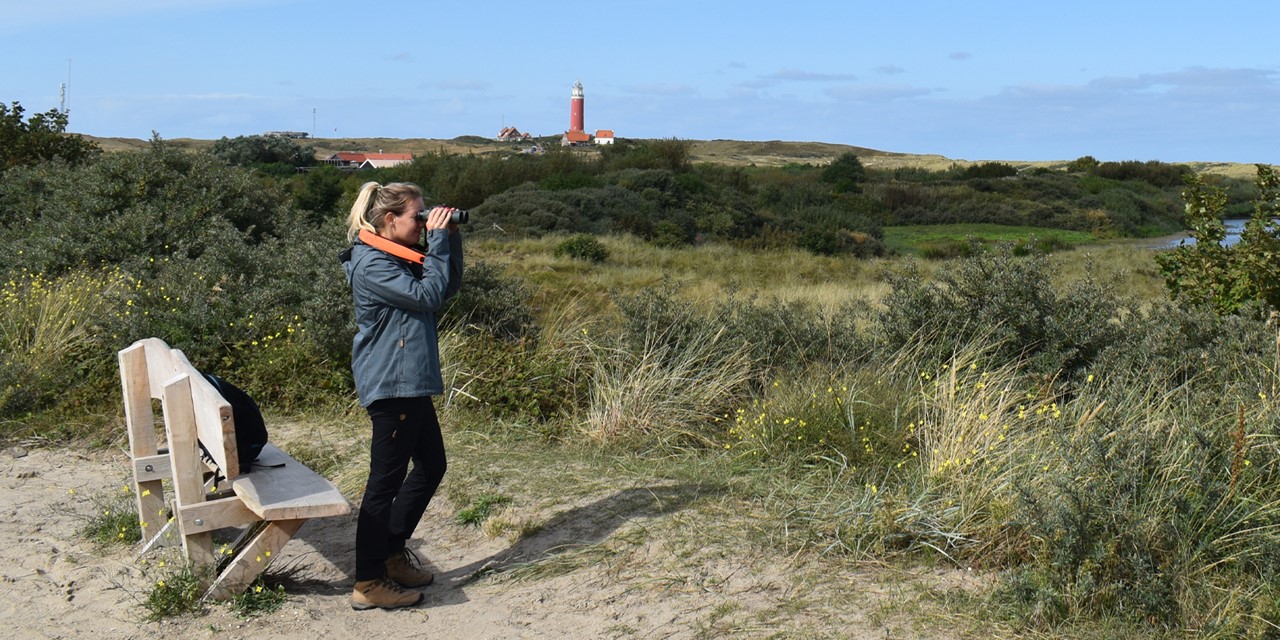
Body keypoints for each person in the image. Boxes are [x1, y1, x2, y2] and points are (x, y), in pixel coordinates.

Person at [339, 181, 463, 610]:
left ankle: (390, 554)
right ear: (389, 220)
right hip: (394, 384)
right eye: (418, 216)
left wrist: (450, 240)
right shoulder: (373, 263)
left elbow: (444, 288)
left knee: (432, 466)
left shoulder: (393, 255)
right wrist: (440, 241)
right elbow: (428, 295)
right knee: (383, 484)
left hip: (409, 381)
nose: (424, 222)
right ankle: (368, 581)